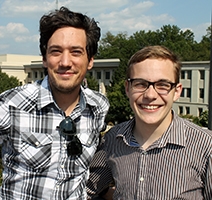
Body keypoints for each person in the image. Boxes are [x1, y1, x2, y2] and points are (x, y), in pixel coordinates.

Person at [0, 7, 109, 200]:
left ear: (90, 61)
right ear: (44, 59)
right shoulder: (11, 104)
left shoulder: (98, 107)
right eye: (56, 52)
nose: (65, 62)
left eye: (76, 52)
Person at [86, 45, 212, 199]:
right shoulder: (113, 139)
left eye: (163, 85)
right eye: (140, 84)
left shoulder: (206, 147)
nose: (150, 95)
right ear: (128, 88)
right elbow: (87, 189)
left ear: (177, 91)